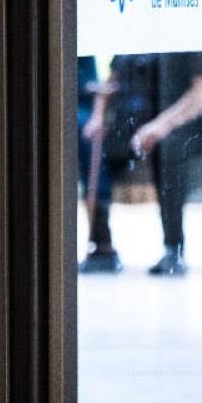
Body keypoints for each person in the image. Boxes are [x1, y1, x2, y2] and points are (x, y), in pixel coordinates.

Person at [84, 51, 202, 276]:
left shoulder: (200, 40)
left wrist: (160, 126)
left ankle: (174, 248)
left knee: (170, 148)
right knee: (91, 146)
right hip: (137, 122)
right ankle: (102, 246)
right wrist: (98, 117)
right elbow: (110, 82)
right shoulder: (134, 41)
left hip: (197, 126)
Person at [77, 55, 121, 272]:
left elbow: (94, 85)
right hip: (76, 113)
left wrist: (97, 117)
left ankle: (102, 243)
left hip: (90, 118)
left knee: (96, 178)